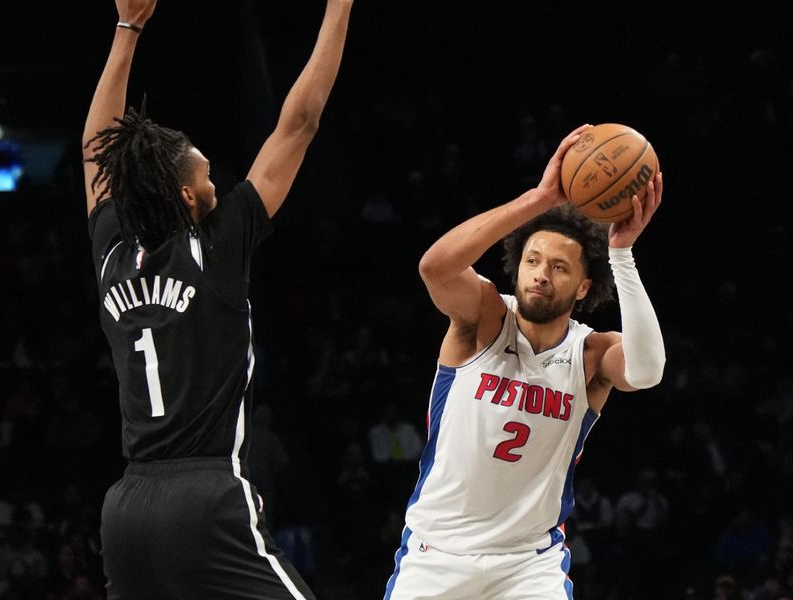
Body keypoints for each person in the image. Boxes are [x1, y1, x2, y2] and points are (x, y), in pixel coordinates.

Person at [81, 0, 353, 597]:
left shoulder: (110, 252)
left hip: (125, 507)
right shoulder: (218, 249)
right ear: (186, 195)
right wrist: (340, 8)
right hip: (204, 495)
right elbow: (299, 124)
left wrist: (128, 29)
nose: (218, 183)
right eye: (207, 176)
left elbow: (95, 150)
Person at [384, 124, 666, 599]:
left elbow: (647, 371)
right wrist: (539, 199)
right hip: (438, 554)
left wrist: (622, 255)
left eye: (559, 268)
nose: (540, 275)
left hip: (527, 565)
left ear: (583, 286)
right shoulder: (485, 318)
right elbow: (435, 267)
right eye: (533, 260)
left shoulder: (591, 353)